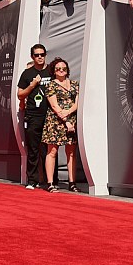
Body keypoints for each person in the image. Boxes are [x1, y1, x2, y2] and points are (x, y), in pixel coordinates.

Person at [42, 58, 80, 193]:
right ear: (53, 71)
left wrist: (69, 113)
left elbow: (77, 103)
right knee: (52, 152)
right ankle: (50, 183)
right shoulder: (51, 85)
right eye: (58, 69)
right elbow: (54, 105)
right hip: (55, 122)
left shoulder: (75, 84)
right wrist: (66, 120)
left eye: (64, 68)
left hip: (72, 120)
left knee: (71, 152)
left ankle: (72, 183)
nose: (61, 71)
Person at [17, 44, 51, 190]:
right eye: (37, 55)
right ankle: (32, 180)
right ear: (32, 57)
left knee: (49, 150)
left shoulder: (51, 71)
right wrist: (32, 85)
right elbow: (20, 95)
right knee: (33, 149)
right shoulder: (27, 73)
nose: (40, 57)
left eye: (42, 54)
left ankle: (49, 181)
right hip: (33, 116)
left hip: (50, 115)